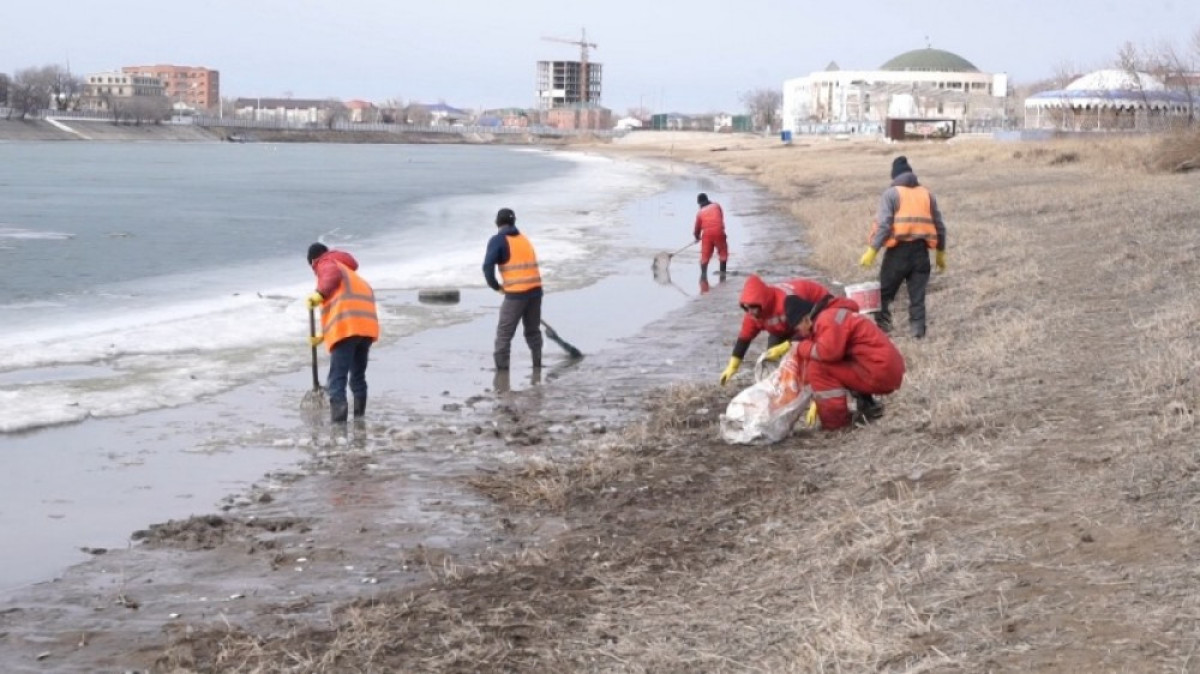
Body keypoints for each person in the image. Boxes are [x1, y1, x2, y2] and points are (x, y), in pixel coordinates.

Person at [858, 156, 947, 339]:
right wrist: (940, 252)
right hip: (921, 253)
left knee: (884, 294)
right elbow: (939, 225)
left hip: (898, 253)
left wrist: (872, 250)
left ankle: (884, 331)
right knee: (917, 297)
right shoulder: (926, 194)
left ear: (894, 176)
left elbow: (884, 225)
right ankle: (917, 333)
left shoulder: (891, 194)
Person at [788, 295, 906, 431]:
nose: (800, 334)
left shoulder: (826, 319)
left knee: (817, 367)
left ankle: (835, 424)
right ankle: (868, 406)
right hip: (882, 368)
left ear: (805, 319)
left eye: (798, 329)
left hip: (879, 371)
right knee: (836, 362)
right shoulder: (832, 315)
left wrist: (800, 347)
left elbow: (828, 353)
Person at [718, 274, 860, 385]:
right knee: (772, 361)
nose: (751, 312)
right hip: (782, 328)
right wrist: (733, 365)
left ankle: (813, 384)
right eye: (747, 308)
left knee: (810, 354)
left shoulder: (787, 303)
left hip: (813, 310)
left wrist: (786, 346)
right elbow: (744, 338)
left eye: (754, 308)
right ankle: (782, 388)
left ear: (763, 302)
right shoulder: (752, 315)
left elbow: (807, 326)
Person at [306, 243, 379, 424]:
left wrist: (319, 294)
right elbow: (344, 304)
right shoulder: (352, 274)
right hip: (366, 329)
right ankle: (359, 419)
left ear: (314, 260)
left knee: (336, 378)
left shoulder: (326, 263)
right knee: (357, 376)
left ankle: (339, 427)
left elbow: (331, 276)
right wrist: (324, 335)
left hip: (347, 328)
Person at [483, 207, 543, 370]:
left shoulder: (498, 240)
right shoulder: (524, 239)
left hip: (516, 295)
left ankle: (502, 374)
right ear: (514, 222)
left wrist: (496, 286)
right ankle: (537, 365)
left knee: (504, 334)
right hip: (536, 291)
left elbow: (487, 267)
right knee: (533, 331)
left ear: (497, 222)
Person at [693, 193, 728, 280]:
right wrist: (721, 231)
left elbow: (697, 228)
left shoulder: (700, 213)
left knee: (705, 256)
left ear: (700, 203)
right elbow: (720, 218)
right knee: (723, 254)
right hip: (719, 232)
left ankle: (703, 277)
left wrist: (697, 237)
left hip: (707, 235)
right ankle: (722, 275)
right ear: (707, 200)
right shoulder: (716, 206)